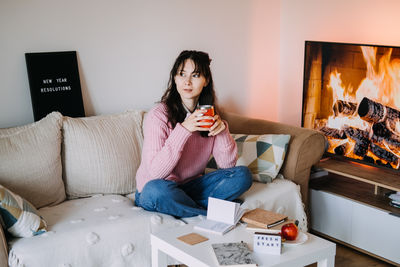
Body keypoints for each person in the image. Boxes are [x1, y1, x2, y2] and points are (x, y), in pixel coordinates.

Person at [134, 50, 252, 218]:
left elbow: (227, 167)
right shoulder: (158, 114)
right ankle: (208, 214)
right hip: (156, 189)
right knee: (156, 191)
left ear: (206, 81)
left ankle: (184, 206)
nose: (187, 82)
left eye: (195, 75)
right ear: (174, 78)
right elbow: (155, 174)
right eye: (182, 74)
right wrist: (184, 130)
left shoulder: (208, 114)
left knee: (242, 175)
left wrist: (222, 131)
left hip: (191, 187)